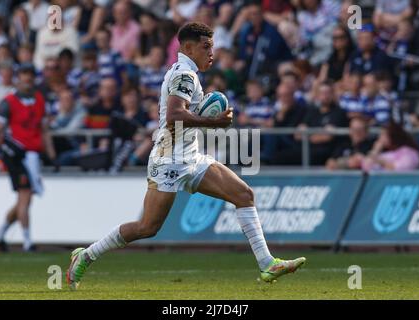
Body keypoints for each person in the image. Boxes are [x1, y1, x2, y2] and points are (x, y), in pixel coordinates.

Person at [66, 22, 306, 290]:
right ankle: (86, 255)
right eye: (206, 47)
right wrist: (213, 123)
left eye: (212, 47)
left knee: (244, 194)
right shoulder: (184, 75)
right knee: (147, 227)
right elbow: (174, 115)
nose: (211, 53)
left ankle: (267, 264)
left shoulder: (188, 72)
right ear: (188, 47)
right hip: (168, 160)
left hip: (191, 156)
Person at [0, 63, 57, 252]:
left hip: (33, 156)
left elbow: (44, 130)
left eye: (30, 74)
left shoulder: (39, 100)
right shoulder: (8, 102)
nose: (28, 78)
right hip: (17, 155)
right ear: (18, 77)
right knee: (25, 197)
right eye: (24, 74)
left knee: (23, 200)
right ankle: (27, 242)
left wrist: (52, 155)